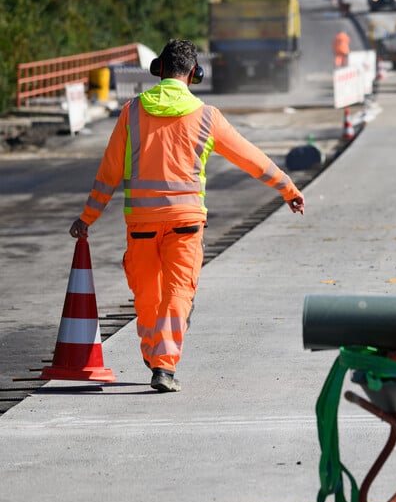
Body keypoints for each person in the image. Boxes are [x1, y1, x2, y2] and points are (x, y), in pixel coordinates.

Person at [68, 39, 305, 393]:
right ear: (195, 74)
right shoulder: (207, 116)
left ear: (159, 69)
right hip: (186, 224)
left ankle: (155, 355)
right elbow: (250, 157)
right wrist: (288, 188)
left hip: (142, 225)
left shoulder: (132, 112)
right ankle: (164, 365)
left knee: (147, 296)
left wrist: (88, 217)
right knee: (178, 293)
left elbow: (108, 173)